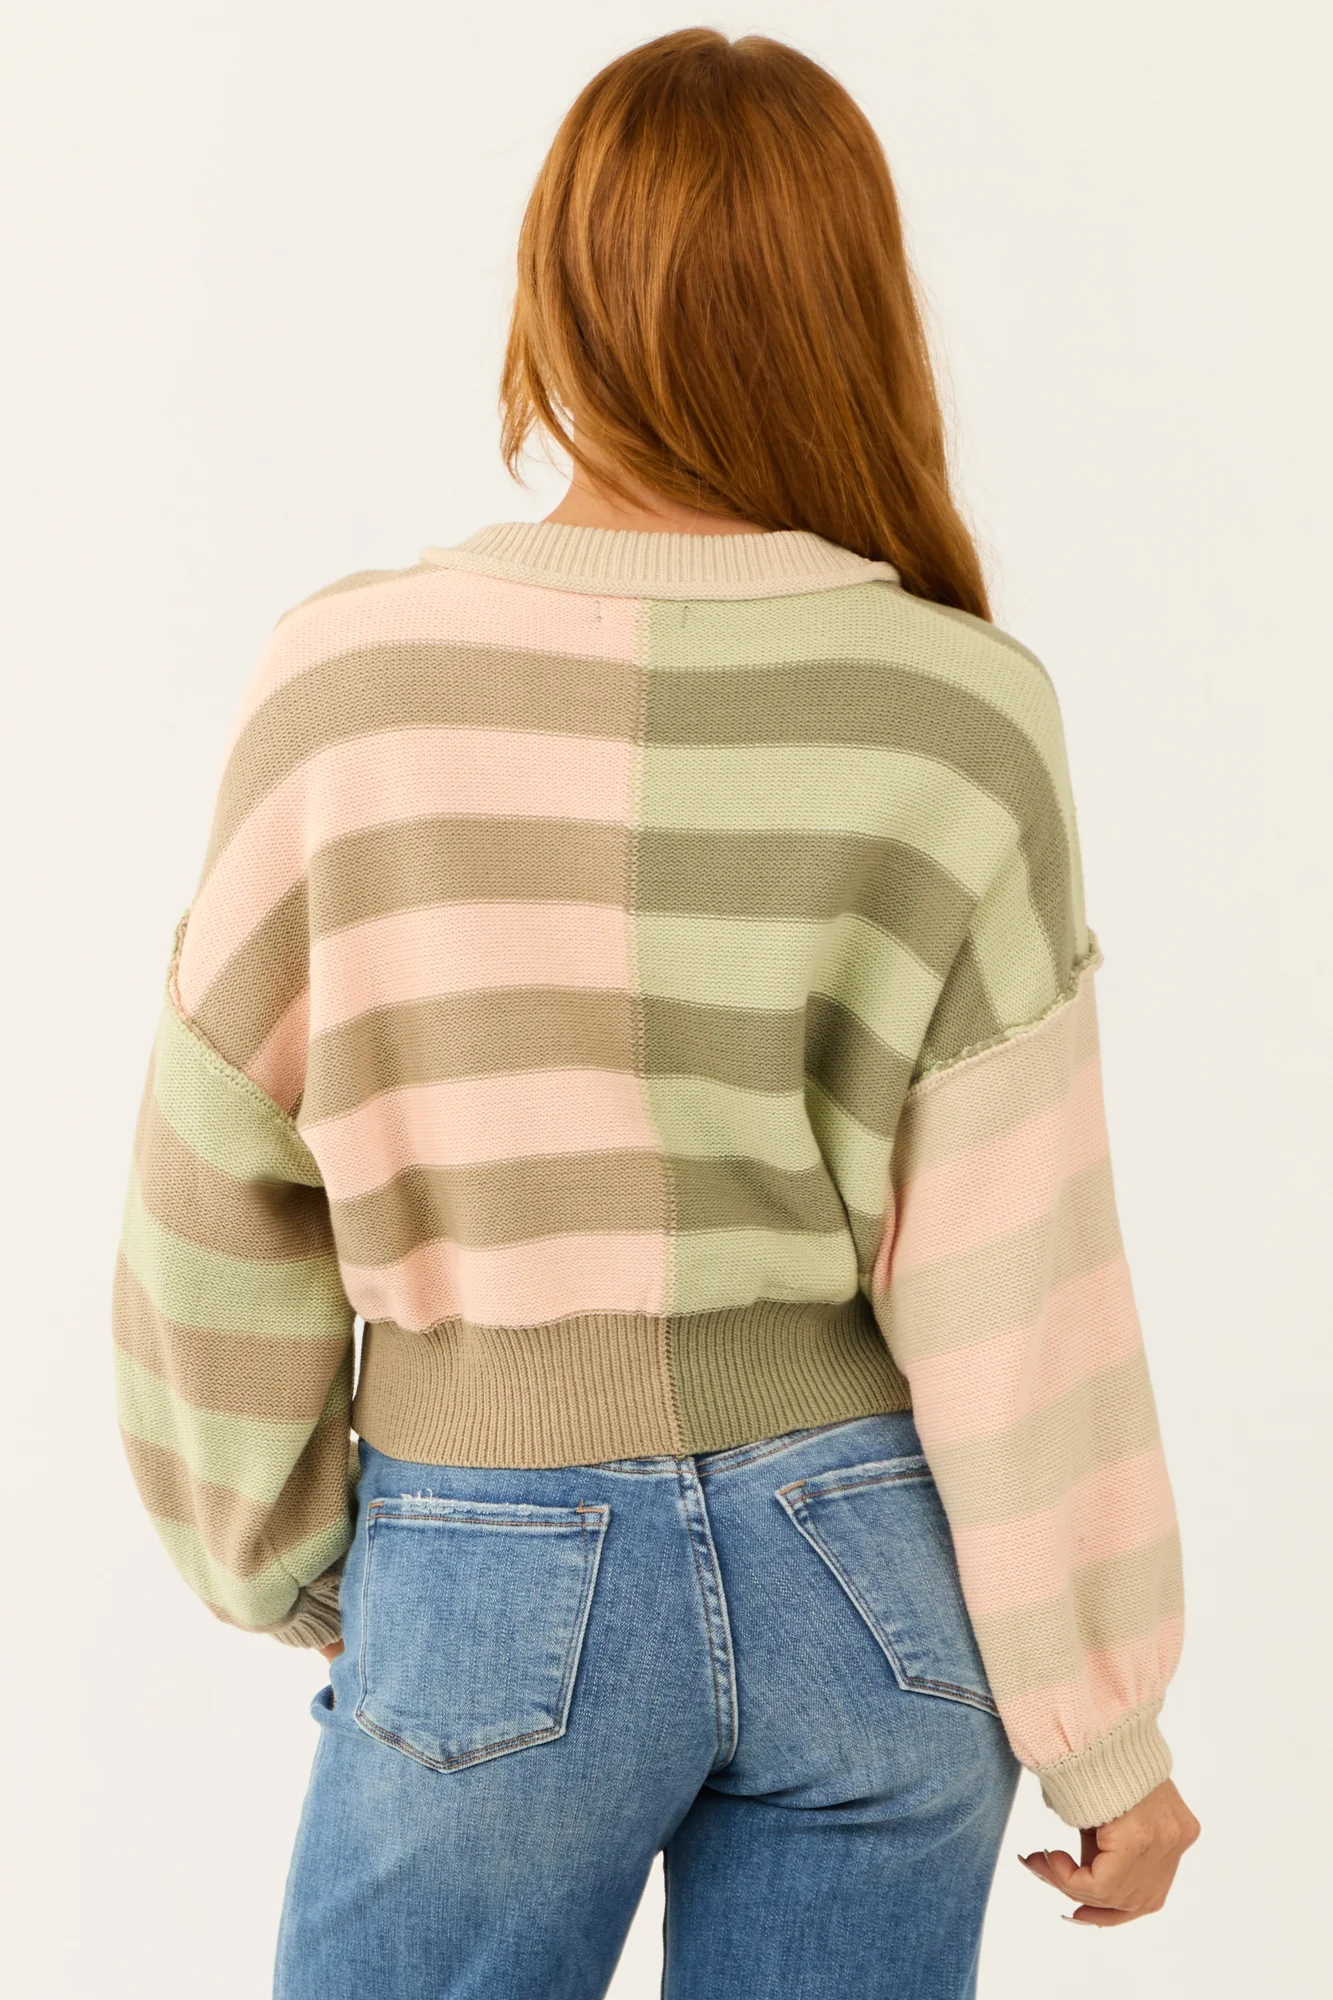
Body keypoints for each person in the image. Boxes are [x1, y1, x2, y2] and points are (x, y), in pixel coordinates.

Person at [111, 27, 1198, 1999]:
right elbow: (1017, 1268)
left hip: (488, 1557)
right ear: (860, 308)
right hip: (877, 1579)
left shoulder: (347, 690)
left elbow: (214, 1176)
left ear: (560, 294)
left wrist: (285, 1550)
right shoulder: (963, 709)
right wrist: (1101, 1720)